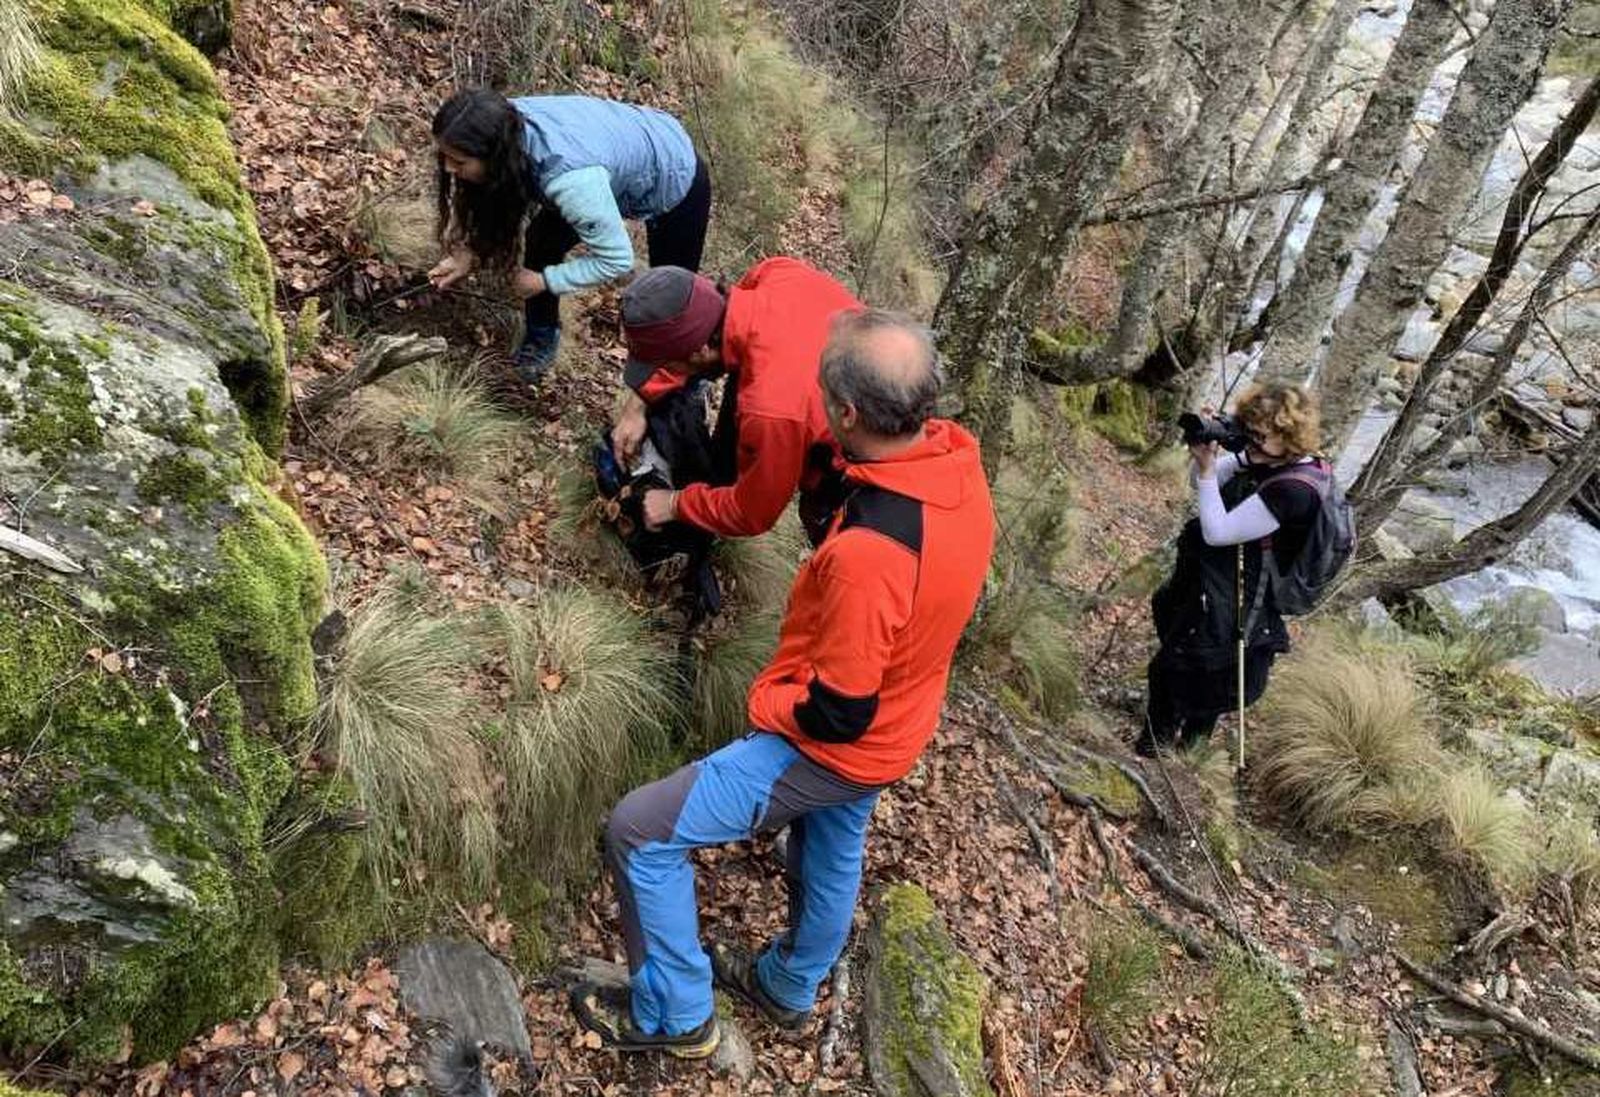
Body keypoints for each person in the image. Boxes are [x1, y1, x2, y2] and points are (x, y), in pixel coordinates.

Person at [570, 310, 995, 1057]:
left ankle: (675, 1017)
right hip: (901, 725)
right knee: (832, 850)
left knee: (639, 829)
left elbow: (837, 712)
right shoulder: (956, 465)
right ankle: (789, 987)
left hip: (837, 746)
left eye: (823, 390)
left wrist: (766, 703)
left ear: (849, 414)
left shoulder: (872, 554)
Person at [428, 88, 711, 386]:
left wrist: (543, 281)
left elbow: (616, 260)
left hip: (675, 172)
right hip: (616, 145)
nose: (448, 167)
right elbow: (497, 195)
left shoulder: (571, 181)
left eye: (459, 162)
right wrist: (468, 253)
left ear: (495, 155)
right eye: (445, 156)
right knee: (542, 241)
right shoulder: (497, 123)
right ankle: (541, 339)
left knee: (674, 297)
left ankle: (687, 385)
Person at [1138, 382, 1330, 756]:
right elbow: (1201, 483)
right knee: (1199, 661)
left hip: (1242, 597)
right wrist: (1209, 455)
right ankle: (1185, 749)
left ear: (1289, 437)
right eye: (1248, 431)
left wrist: (1209, 470)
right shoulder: (1270, 457)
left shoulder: (1293, 489)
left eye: (1261, 436)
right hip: (1221, 582)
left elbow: (1218, 532)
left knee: (1188, 668)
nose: (1252, 443)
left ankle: (1160, 750)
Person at [613, 259, 863, 545]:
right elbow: (700, 343)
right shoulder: (776, 272)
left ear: (700, 351)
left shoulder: (770, 410)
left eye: (664, 363)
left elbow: (753, 513)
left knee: (835, 543)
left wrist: (674, 504)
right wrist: (639, 402)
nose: (663, 368)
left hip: (863, 473)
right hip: (843, 386)